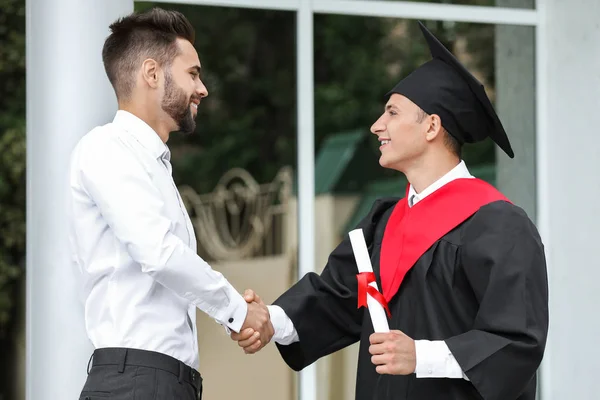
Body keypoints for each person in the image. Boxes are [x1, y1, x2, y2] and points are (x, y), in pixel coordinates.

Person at [233, 21, 549, 400]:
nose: (376, 125)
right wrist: (270, 321)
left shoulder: (498, 225)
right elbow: (333, 298)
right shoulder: (383, 224)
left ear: (432, 126)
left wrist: (422, 355)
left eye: (392, 113)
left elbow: (518, 340)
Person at [67, 8, 273, 400]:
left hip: (160, 382)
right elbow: (160, 254)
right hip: (136, 382)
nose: (203, 89)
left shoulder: (153, 164)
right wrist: (237, 310)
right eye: (192, 73)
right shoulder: (108, 147)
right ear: (152, 73)